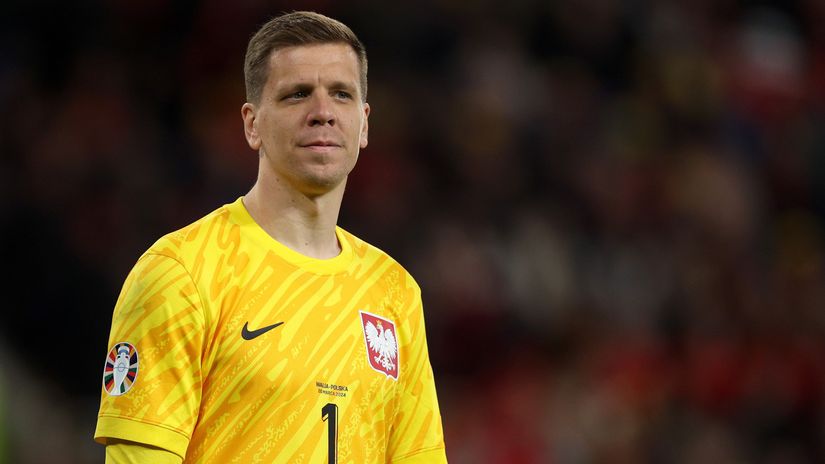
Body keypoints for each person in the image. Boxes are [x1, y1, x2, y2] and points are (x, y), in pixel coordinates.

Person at [94, 11, 447, 463]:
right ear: (252, 123)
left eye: (341, 94)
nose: (322, 113)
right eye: (297, 94)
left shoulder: (395, 292)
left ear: (363, 123)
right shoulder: (181, 273)